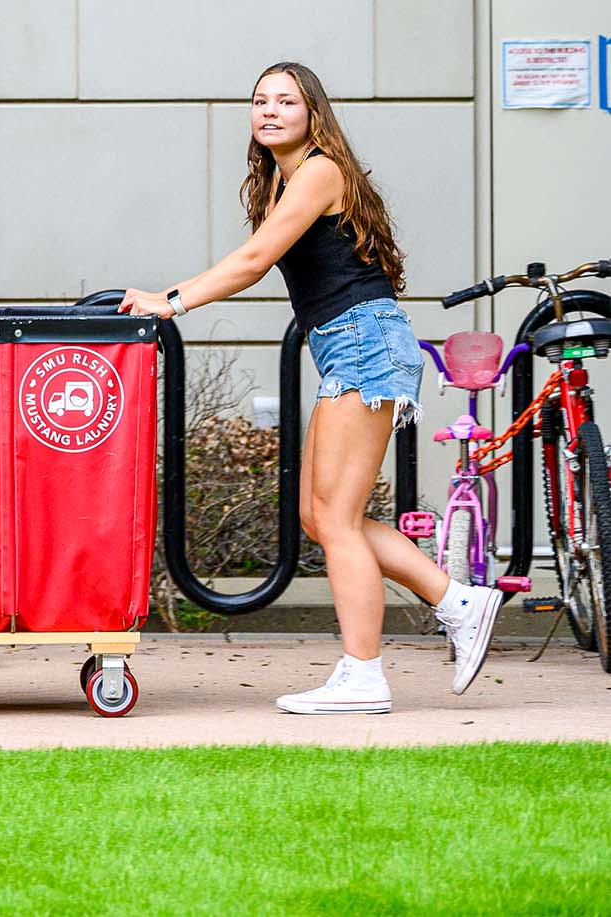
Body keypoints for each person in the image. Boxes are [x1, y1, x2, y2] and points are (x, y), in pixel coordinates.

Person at [123, 60, 500, 714]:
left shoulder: (320, 169)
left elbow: (252, 260)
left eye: (285, 101)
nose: (269, 110)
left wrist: (170, 300)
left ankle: (363, 674)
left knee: (335, 519)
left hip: (362, 341)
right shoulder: (284, 179)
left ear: (311, 113)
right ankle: (458, 600)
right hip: (348, 343)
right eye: (259, 100)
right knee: (321, 517)